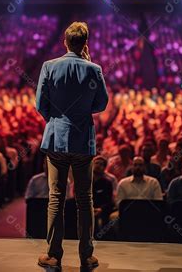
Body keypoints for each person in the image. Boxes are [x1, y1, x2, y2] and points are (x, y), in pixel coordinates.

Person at [35, 22, 108, 270]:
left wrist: (55, 120)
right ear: (85, 44)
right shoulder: (94, 69)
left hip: (56, 139)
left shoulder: (49, 66)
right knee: (84, 199)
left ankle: (54, 254)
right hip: (82, 141)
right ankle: (86, 255)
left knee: (56, 197)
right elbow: (101, 104)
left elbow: (40, 104)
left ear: (65, 41)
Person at [91, 156, 115, 235]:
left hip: (102, 209)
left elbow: (109, 201)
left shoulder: (107, 183)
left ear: (104, 168)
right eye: (96, 163)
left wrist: (101, 209)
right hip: (87, 208)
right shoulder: (86, 181)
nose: (98, 165)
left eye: (101, 164)